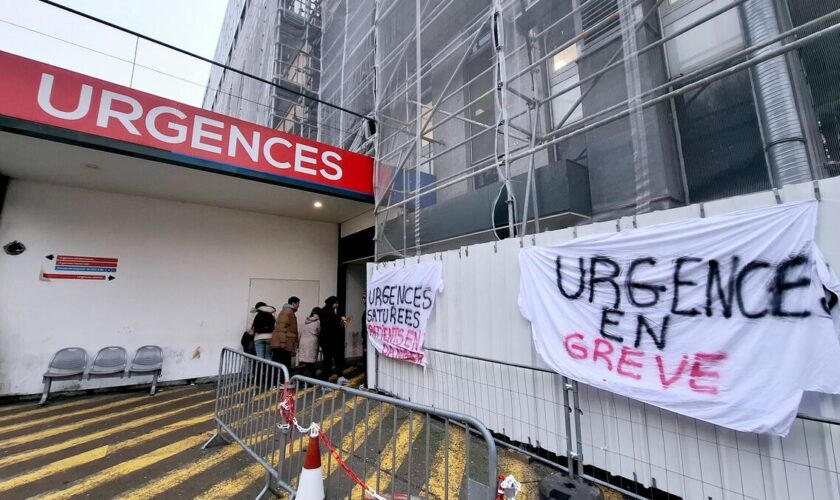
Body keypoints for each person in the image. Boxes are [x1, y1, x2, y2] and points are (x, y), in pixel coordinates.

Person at [319, 296, 348, 385]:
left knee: (334, 359)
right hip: (329, 341)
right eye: (336, 303)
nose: (337, 305)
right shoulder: (326, 312)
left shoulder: (328, 311)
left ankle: (339, 376)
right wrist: (340, 319)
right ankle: (325, 381)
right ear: (332, 303)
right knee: (328, 361)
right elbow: (330, 324)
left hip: (330, 341)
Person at [271, 296, 300, 369]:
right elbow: (281, 327)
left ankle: (280, 379)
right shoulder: (287, 311)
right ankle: (281, 380)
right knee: (283, 365)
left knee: (282, 365)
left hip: (283, 343)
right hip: (283, 344)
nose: (298, 306)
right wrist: (283, 342)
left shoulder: (288, 312)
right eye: (298, 304)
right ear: (293, 303)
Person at [298, 307, 321, 379]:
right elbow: (318, 332)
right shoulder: (318, 322)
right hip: (312, 342)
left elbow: (300, 332)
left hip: (303, 341)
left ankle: (303, 378)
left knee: (305, 362)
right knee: (310, 363)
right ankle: (309, 379)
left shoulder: (306, 321)